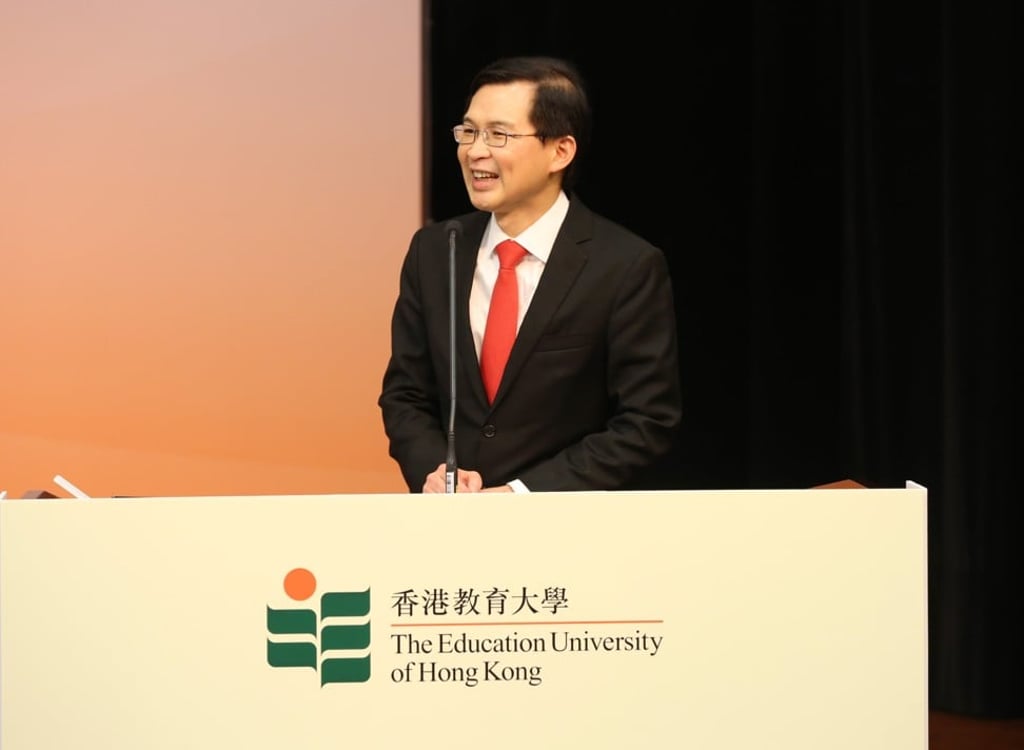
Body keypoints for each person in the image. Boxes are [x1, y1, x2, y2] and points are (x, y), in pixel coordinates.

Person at [379, 55, 681, 493]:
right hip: (450, 526)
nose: (475, 151)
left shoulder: (624, 265)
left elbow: (646, 420)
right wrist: (439, 474)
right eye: (469, 131)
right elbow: (405, 394)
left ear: (560, 150)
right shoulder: (434, 249)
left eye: (499, 134)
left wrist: (522, 493)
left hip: (567, 532)